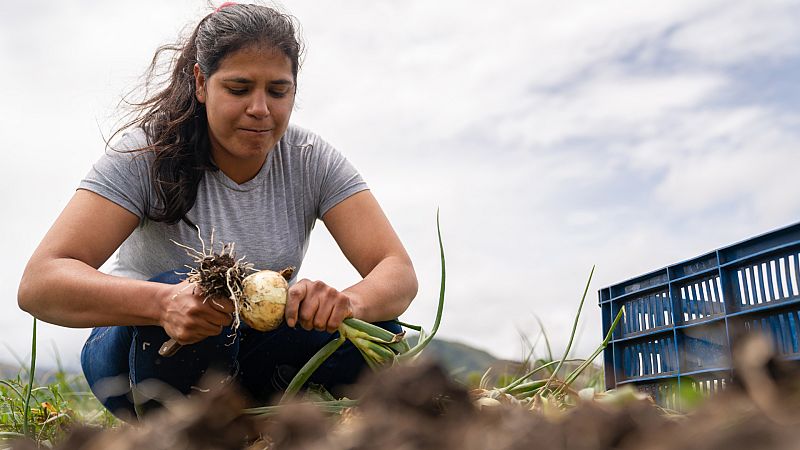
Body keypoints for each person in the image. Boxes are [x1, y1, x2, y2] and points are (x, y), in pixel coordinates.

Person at [17, 3, 417, 420]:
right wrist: (162, 301)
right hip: (140, 354)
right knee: (194, 290)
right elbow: (40, 283)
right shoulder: (144, 154)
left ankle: (253, 418)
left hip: (248, 354)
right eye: (239, 89)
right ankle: (179, 431)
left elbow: (397, 272)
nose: (260, 108)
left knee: (376, 334)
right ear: (201, 83)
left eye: (278, 91)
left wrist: (346, 304)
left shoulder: (310, 159)